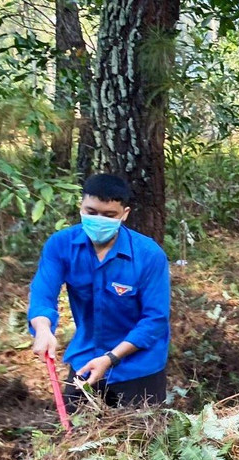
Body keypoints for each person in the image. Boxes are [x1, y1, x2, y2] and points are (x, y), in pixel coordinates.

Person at [28, 173, 171, 408]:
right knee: (73, 428)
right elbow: (43, 293)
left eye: (109, 215)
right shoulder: (61, 244)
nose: (98, 220)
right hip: (85, 360)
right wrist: (43, 329)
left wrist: (111, 358)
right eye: (91, 212)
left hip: (138, 368)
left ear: (124, 214)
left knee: (140, 430)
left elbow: (155, 319)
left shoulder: (149, 255)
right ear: (81, 207)